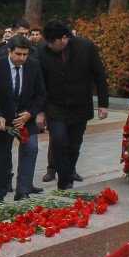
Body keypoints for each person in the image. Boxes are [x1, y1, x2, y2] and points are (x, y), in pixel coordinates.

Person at [36, 19, 109, 190]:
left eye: (52, 42)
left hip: (79, 105)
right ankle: (64, 180)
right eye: (47, 41)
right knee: (59, 141)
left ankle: (67, 177)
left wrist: (103, 104)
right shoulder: (42, 51)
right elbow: (39, 82)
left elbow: (99, 75)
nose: (50, 45)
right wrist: (40, 111)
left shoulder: (86, 47)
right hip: (55, 105)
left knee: (74, 145)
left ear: (64, 38)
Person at [0, 35, 46, 204]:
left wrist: (30, 113)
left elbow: (41, 93)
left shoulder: (34, 65)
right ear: (10, 51)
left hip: (25, 117)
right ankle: (0, 192)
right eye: (18, 54)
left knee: (31, 148)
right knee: (2, 155)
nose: (22, 58)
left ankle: (23, 191)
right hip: (3, 117)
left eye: (25, 54)